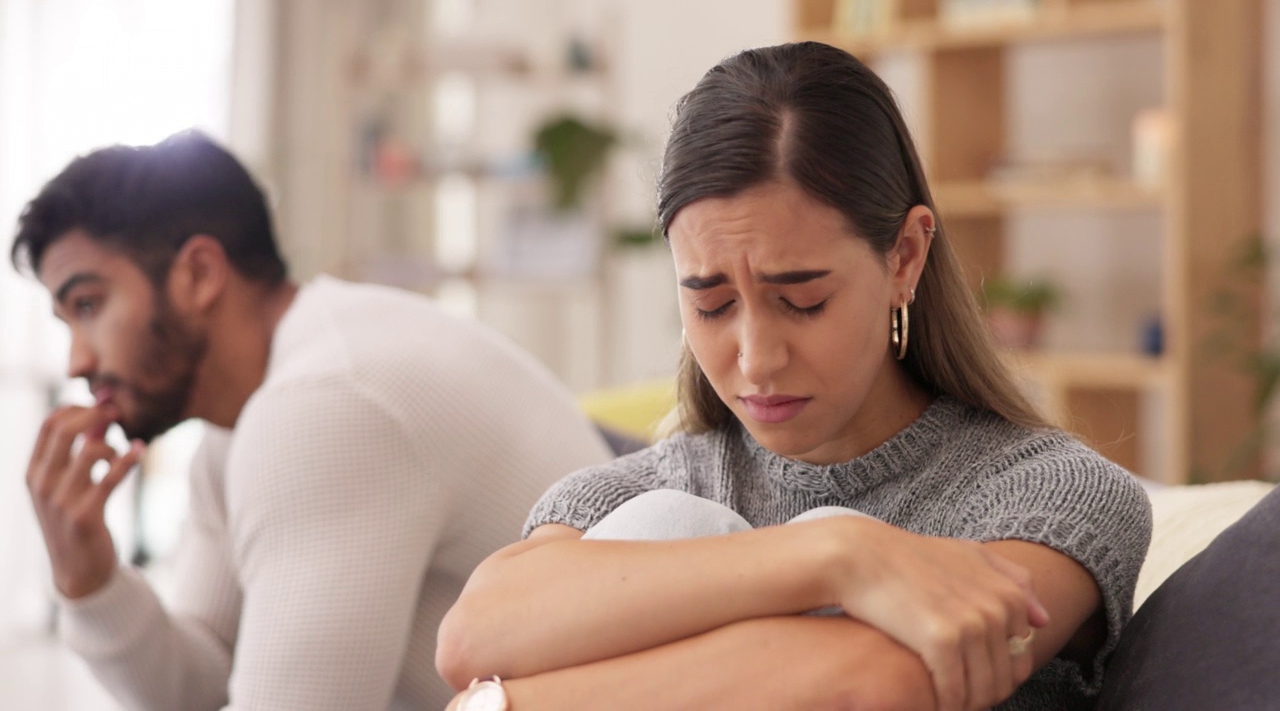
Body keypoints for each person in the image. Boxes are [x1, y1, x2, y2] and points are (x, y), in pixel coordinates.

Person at [435, 41, 1152, 711]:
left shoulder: (1051, 496)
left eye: (802, 301)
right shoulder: (639, 491)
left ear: (904, 256)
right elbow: (471, 636)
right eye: (711, 304)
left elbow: (869, 685)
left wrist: (511, 701)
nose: (755, 358)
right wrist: (839, 555)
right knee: (669, 523)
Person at [12, 130, 613, 710]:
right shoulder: (243, 425)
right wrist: (89, 581)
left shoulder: (320, 405)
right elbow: (198, 684)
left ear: (199, 273)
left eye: (89, 305)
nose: (78, 361)